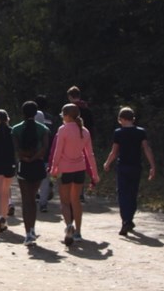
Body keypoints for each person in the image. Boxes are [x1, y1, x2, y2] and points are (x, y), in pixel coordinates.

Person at [50, 102, 100, 245]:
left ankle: (68, 226)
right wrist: (94, 174)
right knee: (76, 201)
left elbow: (58, 151)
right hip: (80, 169)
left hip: (65, 170)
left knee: (65, 202)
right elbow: (90, 154)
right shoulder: (84, 131)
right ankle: (78, 231)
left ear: (66, 116)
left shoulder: (63, 129)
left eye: (62, 115)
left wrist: (54, 168)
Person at [103, 106, 156, 236]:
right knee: (132, 193)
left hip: (123, 166)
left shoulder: (118, 132)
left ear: (120, 119)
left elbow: (114, 152)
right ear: (133, 119)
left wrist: (107, 163)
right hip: (136, 166)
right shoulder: (140, 132)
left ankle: (125, 220)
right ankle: (130, 219)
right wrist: (152, 166)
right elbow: (146, 149)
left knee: (122, 194)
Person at [12, 101, 50, 246]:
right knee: (33, 199)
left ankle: (27, 233)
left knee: (25, 199)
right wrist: (34, 158)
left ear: (22, 113)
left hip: (23, 165)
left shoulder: (16, 129)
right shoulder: (43, 129)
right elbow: (45, 148)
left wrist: (24, 158)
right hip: (38, 165)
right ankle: (32, 229)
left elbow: (16, 149)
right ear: (36, 113)